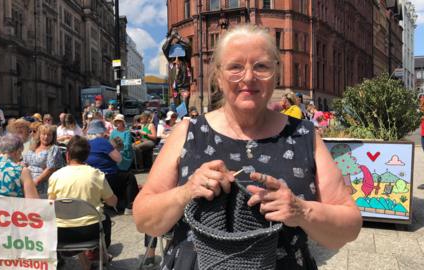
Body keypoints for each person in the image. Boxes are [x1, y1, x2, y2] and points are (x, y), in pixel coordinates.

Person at [133, 25, 362, 270]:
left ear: (276, 74)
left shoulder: (303, 134)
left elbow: (349, 226)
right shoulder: (188, 133)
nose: (249, 77)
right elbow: (145, 220)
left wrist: (301, 210)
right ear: (218, 77)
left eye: (261, 66)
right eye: (235, 67)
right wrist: (186, 191)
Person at [48, 136, 117, 268]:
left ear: (67, 155)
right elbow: (112, 201)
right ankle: (103, 257)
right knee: (105, 220)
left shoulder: (55, 176)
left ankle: (88, 265)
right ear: (87, 156)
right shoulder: (96, 174)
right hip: (89, 231)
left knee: (74, 218)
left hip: (62, 232)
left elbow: (50, 205)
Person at [86, 120, 139, 214]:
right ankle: (129, 207)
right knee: (129, 176)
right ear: (101, 131)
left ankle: (114, 203)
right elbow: (119, 159)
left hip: (92, 176)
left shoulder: (86, 143)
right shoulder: (102, 142)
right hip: (107, 176)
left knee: (119, 175)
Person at [0, 134, 39, 198]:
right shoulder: (21, 171)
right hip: (14, 208)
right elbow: (32, 202)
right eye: (20, 153)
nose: (20, 157)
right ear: (18, 152)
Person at [23, 124, 64, 198]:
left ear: (53, 137)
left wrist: (36, 182)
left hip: (42, 184)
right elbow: (25, 163)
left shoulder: (53, 149)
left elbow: (50, 169)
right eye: (44, 134)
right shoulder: (33, 146)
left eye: (49, 135)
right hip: (27, 183)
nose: (46, 137)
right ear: (39, 135)